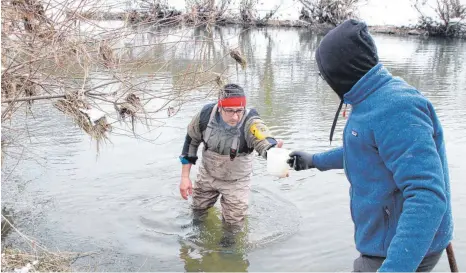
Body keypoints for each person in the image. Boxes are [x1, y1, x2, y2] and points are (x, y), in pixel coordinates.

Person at [287, 19, 453, 272]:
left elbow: (427, 196)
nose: (324, 79)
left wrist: (394, 268)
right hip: (382, 241)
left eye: (325, 73)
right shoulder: (367, 98)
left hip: (399, 249)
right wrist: (314, 161)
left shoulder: (397, 107)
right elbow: (366, 151)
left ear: (341, 70)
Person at [179, 83, 283, 231]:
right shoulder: (205, 115)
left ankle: (228, 250)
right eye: (230, 111)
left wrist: (273, 151)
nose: (235, 117)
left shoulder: (250, 121)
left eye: (239, 111)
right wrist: (184, 177)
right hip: (208, 175)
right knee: (197, 211)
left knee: (233, 225)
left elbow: (263, 138)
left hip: (237, 181)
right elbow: (191, 142)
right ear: (220, 107)